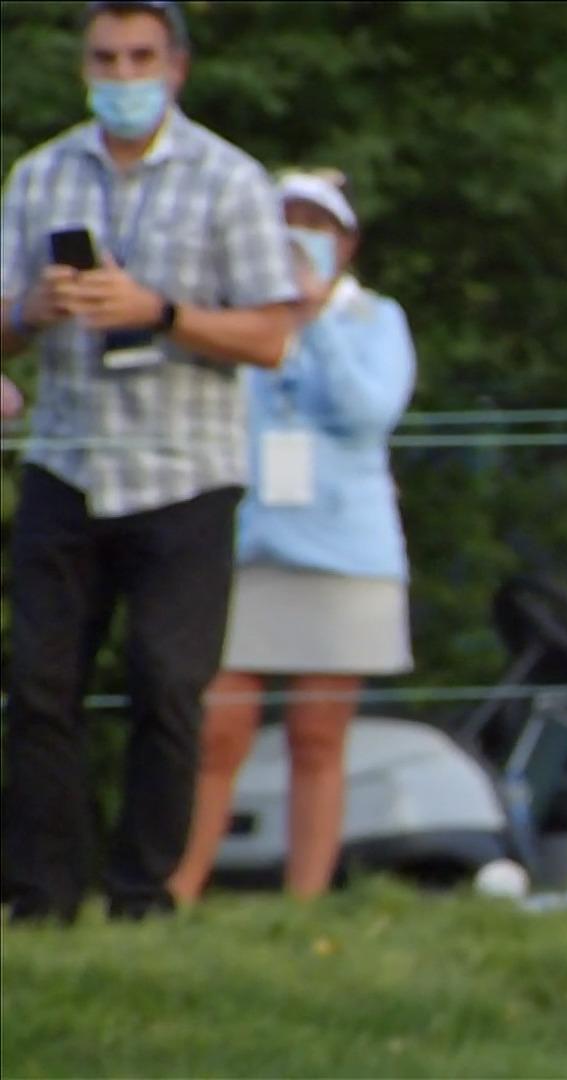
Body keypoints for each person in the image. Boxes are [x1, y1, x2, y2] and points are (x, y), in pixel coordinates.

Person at [0, 0, 299, 924]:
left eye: (139, 57)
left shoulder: (231, 180)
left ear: (177, 66)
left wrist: (161, 312)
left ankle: (145, 895)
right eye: (104, 57)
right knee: (38, 685)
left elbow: (272, 335)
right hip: (67, 460)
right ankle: (43, 895)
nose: (121, 75)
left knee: (170, 687)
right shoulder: (38, 175)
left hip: (186, 470)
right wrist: (30, 311)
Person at [169, 168, 418, 904]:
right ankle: (179, 885)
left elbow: (368, 413)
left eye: (316, 222)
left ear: (345, 241)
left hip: (346, 552)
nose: (299, 236)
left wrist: (315, 328)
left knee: (318, 735)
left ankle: (303, 898)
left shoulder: (376, 320)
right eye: (286, 220)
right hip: (246, 547)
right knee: (218, 728)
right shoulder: (236, 315)